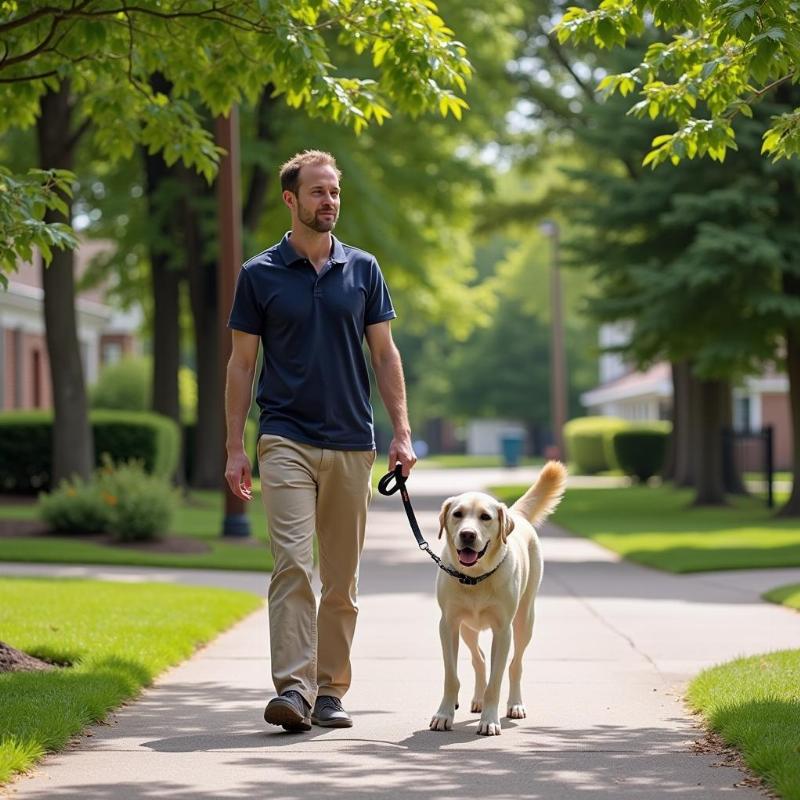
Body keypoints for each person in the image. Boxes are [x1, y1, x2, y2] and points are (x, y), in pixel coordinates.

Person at [224, 149, 416, 732]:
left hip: (353, 440)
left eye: (333, 192)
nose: (328, 201)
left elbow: (384, 353)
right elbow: (240, 365)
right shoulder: (259, 274)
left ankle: (331, 689)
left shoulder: (364, 269)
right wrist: (236, 446)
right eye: (317, 192)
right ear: (291, 199)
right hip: (284, 436)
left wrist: (401, 432)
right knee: (292, 566)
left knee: (340, 577)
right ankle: (293, 690)